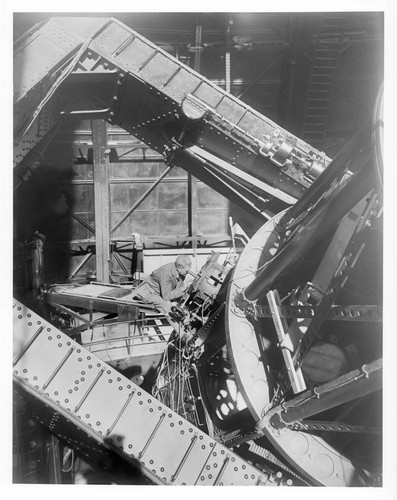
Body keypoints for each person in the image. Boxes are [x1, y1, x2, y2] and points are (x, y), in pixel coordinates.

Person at [132, 255, 192, 320]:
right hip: (146, 292)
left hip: (158, 292)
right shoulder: (166, 272)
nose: (188, 272)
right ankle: (180, 329)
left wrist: (177, 299)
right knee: (169, 307)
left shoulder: (180, 271)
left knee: (180, 304)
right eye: (186, 271)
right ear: (179, 269)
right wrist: (182, 289)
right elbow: (166, 296)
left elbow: (177, 287)